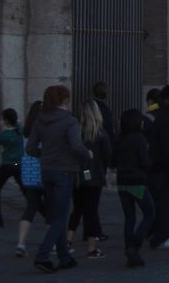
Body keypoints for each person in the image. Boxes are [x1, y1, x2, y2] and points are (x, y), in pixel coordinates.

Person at [25, 85, 94, 274]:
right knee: (60, 216)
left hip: (46, 170)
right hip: (64, 170)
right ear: (64, 100)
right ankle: (43, 255)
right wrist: (88, 153)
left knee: (56, 214)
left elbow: (30, 149)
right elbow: (76, 145)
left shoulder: (40, 120)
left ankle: (64, 257)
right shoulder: (69, 120)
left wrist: (46, 154)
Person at [66, 99, 112, 259]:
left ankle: (67, 240)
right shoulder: (100, 133)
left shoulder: (76, 132)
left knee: (77, 209)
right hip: (95, 177)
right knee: (91, 212)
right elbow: (108, 155)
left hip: (78, 175)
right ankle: (91, 248)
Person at [113, 108, 155, 267]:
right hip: (137, 181)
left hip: (122, 181)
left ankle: (129, 250)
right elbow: (144, 161)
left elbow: (112, 161)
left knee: (129, 218)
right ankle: (135, 246)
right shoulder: (139, 138)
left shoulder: (119, 139)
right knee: (150, 213)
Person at [147, 84, 169, 249]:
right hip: (161, 169)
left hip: (161, 168)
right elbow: (168, 149)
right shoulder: (165, 119)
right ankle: (160, 237)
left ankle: (166, 232)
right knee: (163, 203)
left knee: (166, 203)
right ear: (166, 100)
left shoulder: (164, 117)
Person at [16, 101, 47, 258]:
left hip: (28, 173)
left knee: (31, 208)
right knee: (52, 209)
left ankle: (21, 243)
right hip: (44, 172)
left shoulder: (25, 130)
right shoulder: (44, 129)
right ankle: (54, 243)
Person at [91, 81, 115, 145]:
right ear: (105, 94)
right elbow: (109, 128)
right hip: (102, 142)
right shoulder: (105, 109)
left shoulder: (88, 106)